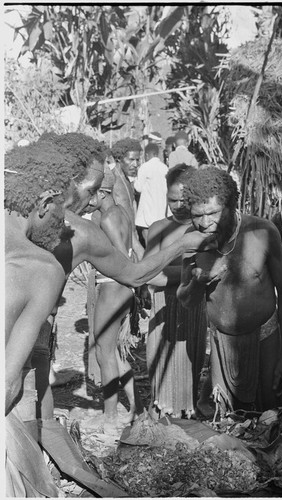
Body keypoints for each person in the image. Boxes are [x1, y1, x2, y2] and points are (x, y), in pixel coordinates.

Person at [5, 132, 215, 419]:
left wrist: (185, 252)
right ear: (65, 184)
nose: (92, 201)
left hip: (30, 351)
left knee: (37, 413)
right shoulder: (35, 223)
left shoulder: (82, 233)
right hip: (21, 352)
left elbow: (134, 273)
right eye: (91, 190)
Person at [177, 167, 282, 413]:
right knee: (227, 425)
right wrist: (199, 283)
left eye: (212, 213)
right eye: (196, 215)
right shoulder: (191, 239)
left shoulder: (262, 232)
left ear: (231, 206)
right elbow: (185, 300)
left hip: (266, 341)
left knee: (268, 417)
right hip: (221, 348)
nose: (203, 223)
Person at [145, 164, 208, 418]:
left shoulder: (204, 227)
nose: (180, 204)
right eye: (173, 199)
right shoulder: (158, 227)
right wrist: (184, 271)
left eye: (185, 198)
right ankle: (163, 411)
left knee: (189, 361)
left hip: (192, 305)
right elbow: (148, 274)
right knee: (159, 361)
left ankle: (187, 415)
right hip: (163, 305)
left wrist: (166, 272)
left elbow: (204, 270)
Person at [84, 185, 142, 432]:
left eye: (90, 195)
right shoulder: (121, 212)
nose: (87, 201)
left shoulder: (107, 218)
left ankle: (109, 417)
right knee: (115, 354)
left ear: (103, 193)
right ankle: (137, 408)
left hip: (112, 287)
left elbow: (122, 257)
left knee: (103, 353)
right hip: (122, 289)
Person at [134, 142, 168, 245]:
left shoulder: (145, 167)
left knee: (148, 239)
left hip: (148, 209)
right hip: (161, 210)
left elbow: (138, 188)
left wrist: (134, 180)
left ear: (147, 155)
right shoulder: (165, 168)